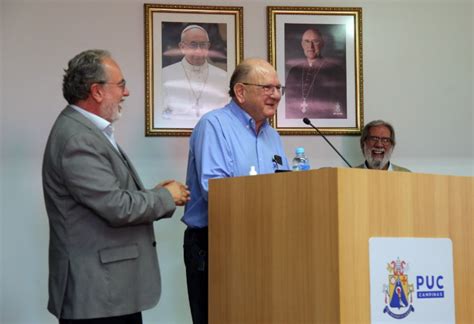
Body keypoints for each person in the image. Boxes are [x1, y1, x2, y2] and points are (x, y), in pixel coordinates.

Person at [42, 49, 190, 324]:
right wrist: (164, 197)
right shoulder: (78, 139)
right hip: (99, 294)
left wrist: (153, 194)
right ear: (97, 91)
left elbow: (107, 196)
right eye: (121, 85)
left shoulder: (87, 131)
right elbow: (116, 207)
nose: (127, 92)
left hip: (110, 291)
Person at [182, 58, 290, 323]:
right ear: (240, 92)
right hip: (215, 242)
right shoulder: (214, 126)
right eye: (267, 88)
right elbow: (215, 190)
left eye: (278, 88)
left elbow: (286, 187)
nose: (276, 95)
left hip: (265, 243)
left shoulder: (272, 136)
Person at [161, 24, 229, 120]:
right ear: (182, 47)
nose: (198, 50)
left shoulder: (224, 77)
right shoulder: (164, 75)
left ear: (208, 46)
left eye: (203, 45)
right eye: (193, 45)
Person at [285, 27, 346, 119]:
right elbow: (287, 101)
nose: (311, 46)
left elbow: (339, 104)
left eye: (315, 41)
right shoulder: (294, 71)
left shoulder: (336, 70)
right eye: (307, 41)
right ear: (302, 44)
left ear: (322, 44)